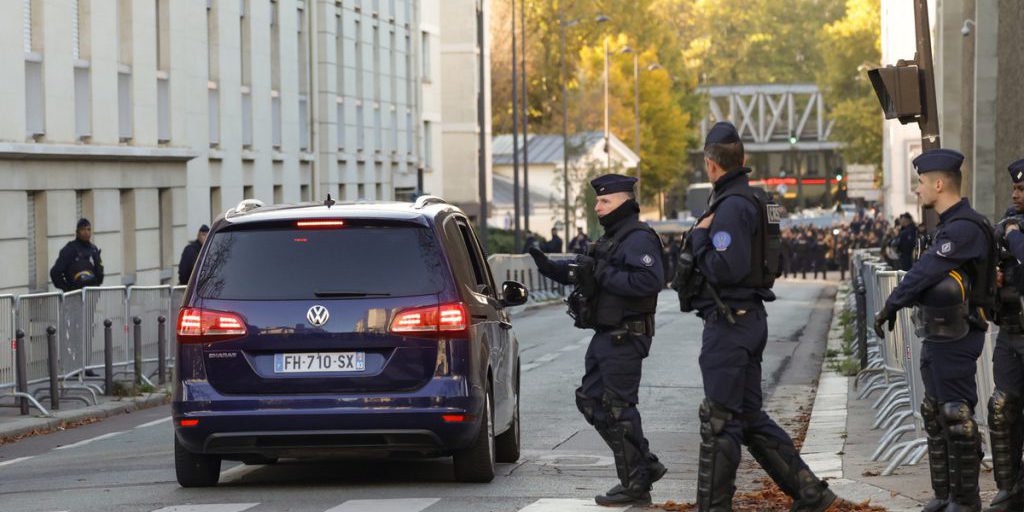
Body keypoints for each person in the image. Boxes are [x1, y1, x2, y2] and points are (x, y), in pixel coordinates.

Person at [676, 122, 836, 512]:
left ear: (710, 164)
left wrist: (698, 236)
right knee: (747, 417)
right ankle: (811, 493)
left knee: (720, 419)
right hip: (747, 318)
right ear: (742, 159)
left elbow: (725, 267)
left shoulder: (729, 207)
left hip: (729, 321)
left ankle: (713, 507)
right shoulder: (753, 199)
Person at [529, 174, 666, 506]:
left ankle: (635, 481)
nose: (598, 206)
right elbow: (586, 268)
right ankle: (644, 466)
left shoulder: (638, 237)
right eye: (597, 201)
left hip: (626, 334)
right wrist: (550, 267)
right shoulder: (614, 238)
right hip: (607, 335)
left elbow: (650, 280)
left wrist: (602, 274)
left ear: (622, 201)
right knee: (590, 400)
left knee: (619, 407)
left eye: (604, 201)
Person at [874, 148, 997, 512]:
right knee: (935, 411)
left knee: (957, 415)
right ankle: (944, 495)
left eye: (921, 183)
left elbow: (926, 271)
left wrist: (892, 303)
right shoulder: (949, 226)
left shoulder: (962, 229)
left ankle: (966, 499)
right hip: (939, 332)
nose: (917, 190)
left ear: (939, 184)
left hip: (958, 333)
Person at [986, 158, 1024, 511]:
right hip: (1011, 332)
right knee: (1002, 407)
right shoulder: (1006, 227)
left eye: (1022, 189)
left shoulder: (1014, 232)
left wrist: (1014, 238)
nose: (1015, 194)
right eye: (1014, 187)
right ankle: (1009, 487)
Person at [50, 218, 104, 292]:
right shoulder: (69, 249)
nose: (86, 232)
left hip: (92, 295)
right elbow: (55, 273)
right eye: (83, 229)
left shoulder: (93, 249)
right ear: (77, 232)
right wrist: (67, 289)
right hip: (75, 296)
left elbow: (100, 275)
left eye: (88, 229)